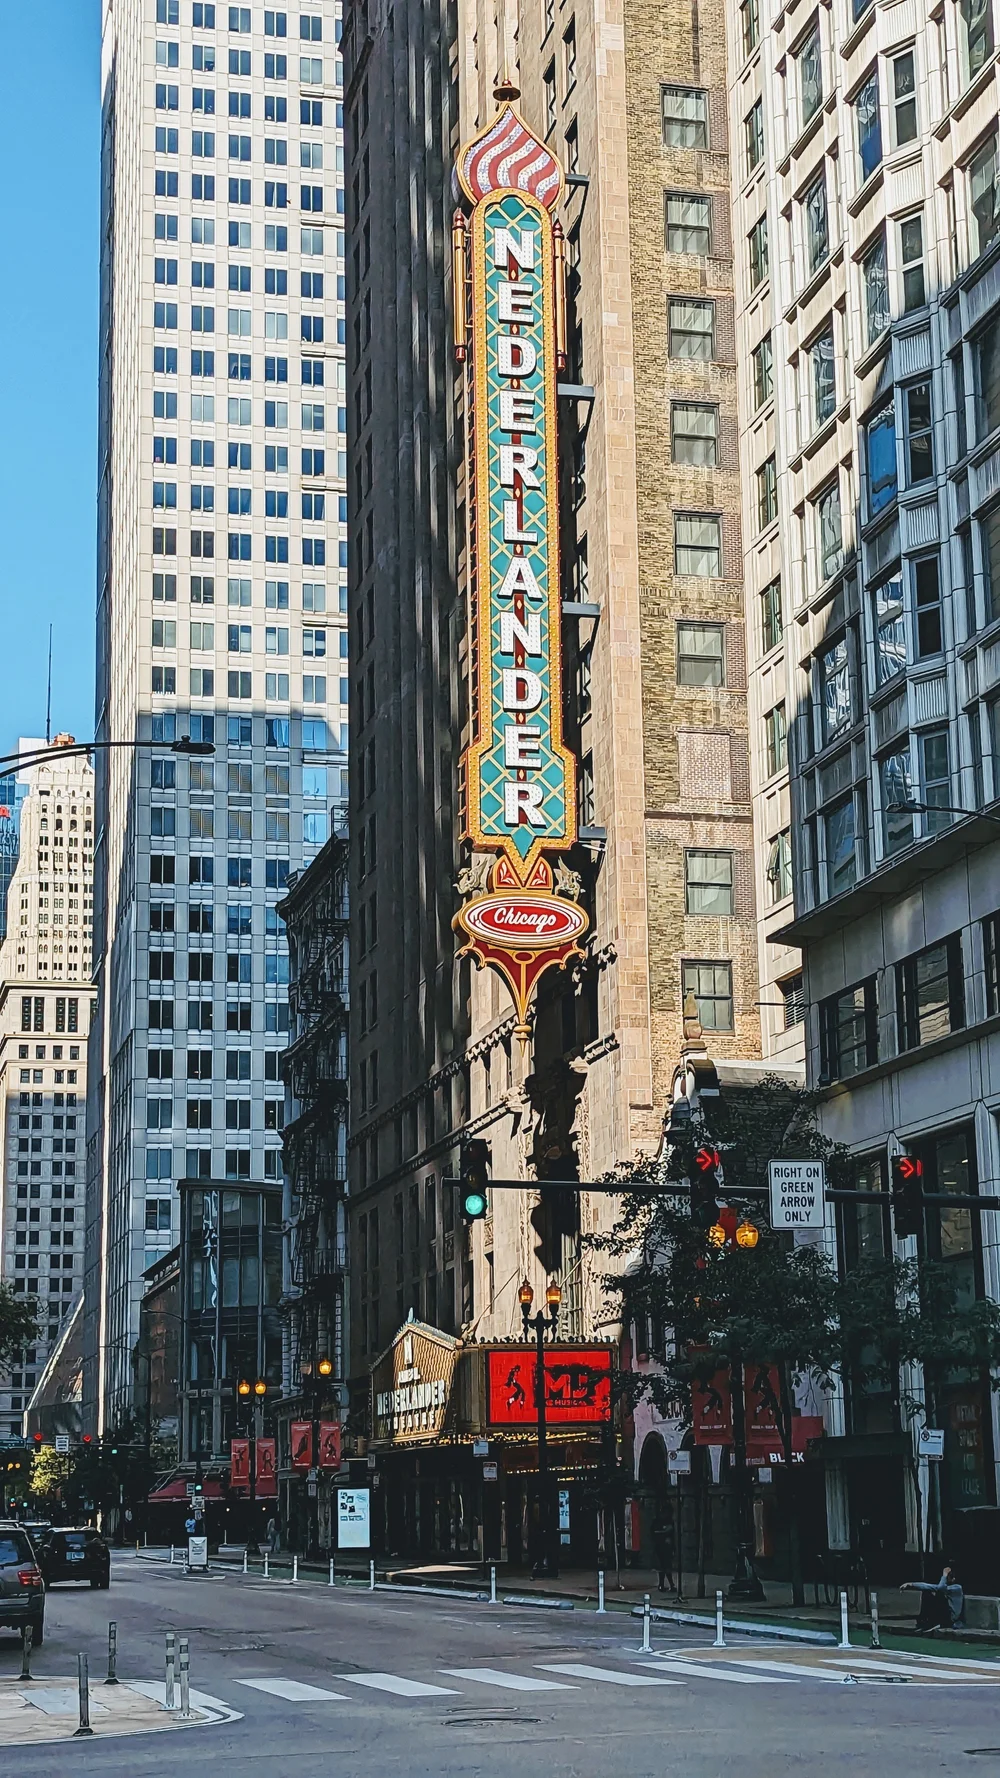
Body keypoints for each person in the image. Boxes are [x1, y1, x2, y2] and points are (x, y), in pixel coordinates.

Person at [901, 1563, 964, 1631]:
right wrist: (910, 1584)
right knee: (927, 1592)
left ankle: (932, 1621)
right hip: (946, 1615)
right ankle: (926, 1620)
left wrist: (944, 1575)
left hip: (951, 1618)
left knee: (938, 1593)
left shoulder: (957, 1588)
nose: (946, 1580)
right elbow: (927, 1586)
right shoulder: (946, 1587)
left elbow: (940, 1588)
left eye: (947, 1578)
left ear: (953, 1579)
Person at [651, 1511, 675, 1594]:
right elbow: (654, 1533)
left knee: (666, 1567)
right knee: (663, 1567)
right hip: (660, 1547)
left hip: (667, 1547)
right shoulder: (657, 1522)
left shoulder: (669, 1521)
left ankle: (669, 1585)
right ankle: (663, 1585)